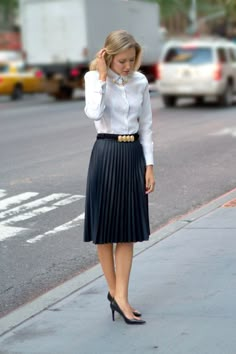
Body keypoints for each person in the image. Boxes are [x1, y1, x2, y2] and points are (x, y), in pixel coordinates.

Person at [83, 30, 155, 325]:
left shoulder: (140, 82)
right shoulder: (93, 80)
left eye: (131, 60)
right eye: (122, 61)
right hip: (106, 153)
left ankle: (121, 296)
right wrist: (102, 78)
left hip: (132, 154)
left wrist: (149, 165)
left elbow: (147, 125)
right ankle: (116, 294)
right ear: (108, 57)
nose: (127, 66)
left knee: (127, 231)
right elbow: (93, 113)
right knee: (105, 231)